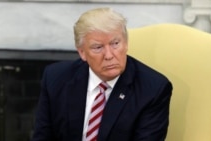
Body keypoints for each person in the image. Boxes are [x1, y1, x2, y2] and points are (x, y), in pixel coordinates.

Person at [32, 7, 173, 141]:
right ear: (82, 52)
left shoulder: (153, 89)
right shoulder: (56, 78)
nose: (109, 55)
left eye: (115, 43)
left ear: (126, 43)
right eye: (98, 47)